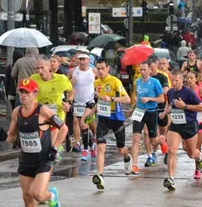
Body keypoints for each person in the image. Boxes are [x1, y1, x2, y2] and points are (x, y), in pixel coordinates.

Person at [0, 79, 67, 207]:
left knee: (37, 193)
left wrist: (55, 148)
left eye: (26, 92)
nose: (23, 96)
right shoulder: (17, 112)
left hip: (44, 158)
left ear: (35, 94)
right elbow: (11, 137)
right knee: (27, 196)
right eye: (21, 92)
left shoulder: (43, 111)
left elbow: (63, 128)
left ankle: (51, 196)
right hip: (26, 160)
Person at [161, 70, 202, 190]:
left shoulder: (188, 92)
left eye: (177, 80)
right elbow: (169, 104)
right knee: (171, 150)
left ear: (182, 81)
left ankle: (199, 157)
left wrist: (185, 106)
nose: (174, 83)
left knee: (191, 153)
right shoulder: (170, 92)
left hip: (189, 125)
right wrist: (165, 112)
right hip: (176, 125)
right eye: (173, 80)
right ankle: (171, 178)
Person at [91, 59, 132, 189]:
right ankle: (100, 175)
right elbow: (100, 102)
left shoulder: (115, 81)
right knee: (100, 147)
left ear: (108, 68)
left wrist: (112, 98)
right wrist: (91, 112)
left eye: (103, 68)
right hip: (103, 118)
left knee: (121, 149)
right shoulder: (96, 83)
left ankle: (127, 156)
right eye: (98, 69)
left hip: (116, 118)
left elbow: (127, 99)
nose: (100, 71)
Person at [128, 61, 168, 175]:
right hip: (139, 111)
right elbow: (136, 95)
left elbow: (161, 99)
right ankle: (134, 165)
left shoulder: (155, 82)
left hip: (151, 112)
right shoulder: (137, 82)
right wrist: (132, 107)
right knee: (136, 137)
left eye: (144, 70)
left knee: (153, 140)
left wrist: (150, 99)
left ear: (150, 70)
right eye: (140, 70)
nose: (142, 72)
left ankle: (161, 140)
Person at [68, 53, 98, 161]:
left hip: (89, 101)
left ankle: (85, 150)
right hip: (77, 101)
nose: (82, 62)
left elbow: (100, 82)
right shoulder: (72, 71)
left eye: (84, 59)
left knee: (83, 123)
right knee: (83, 127)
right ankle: (91, 147)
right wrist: (70, 83)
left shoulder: (93, 71)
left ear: (88, 60)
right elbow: (66, 86)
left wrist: (97, 91)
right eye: (80, 59)